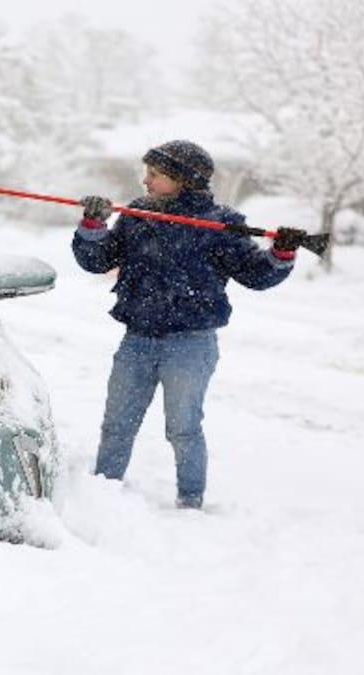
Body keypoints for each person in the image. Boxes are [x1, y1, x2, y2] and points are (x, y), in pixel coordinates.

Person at [72, 139, 304, 509]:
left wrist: (281, 252)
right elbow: (99, 260)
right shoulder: (137, 213)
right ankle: (103, 497)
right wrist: (93, 224)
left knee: (182, 429)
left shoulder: (220, 224)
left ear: (183, 180)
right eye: (146, 173)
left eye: (155, 175)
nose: (145, 182)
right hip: (137, 339)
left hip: (190, 344)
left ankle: (190, 502)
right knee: (117, 424)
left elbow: (257, 275)